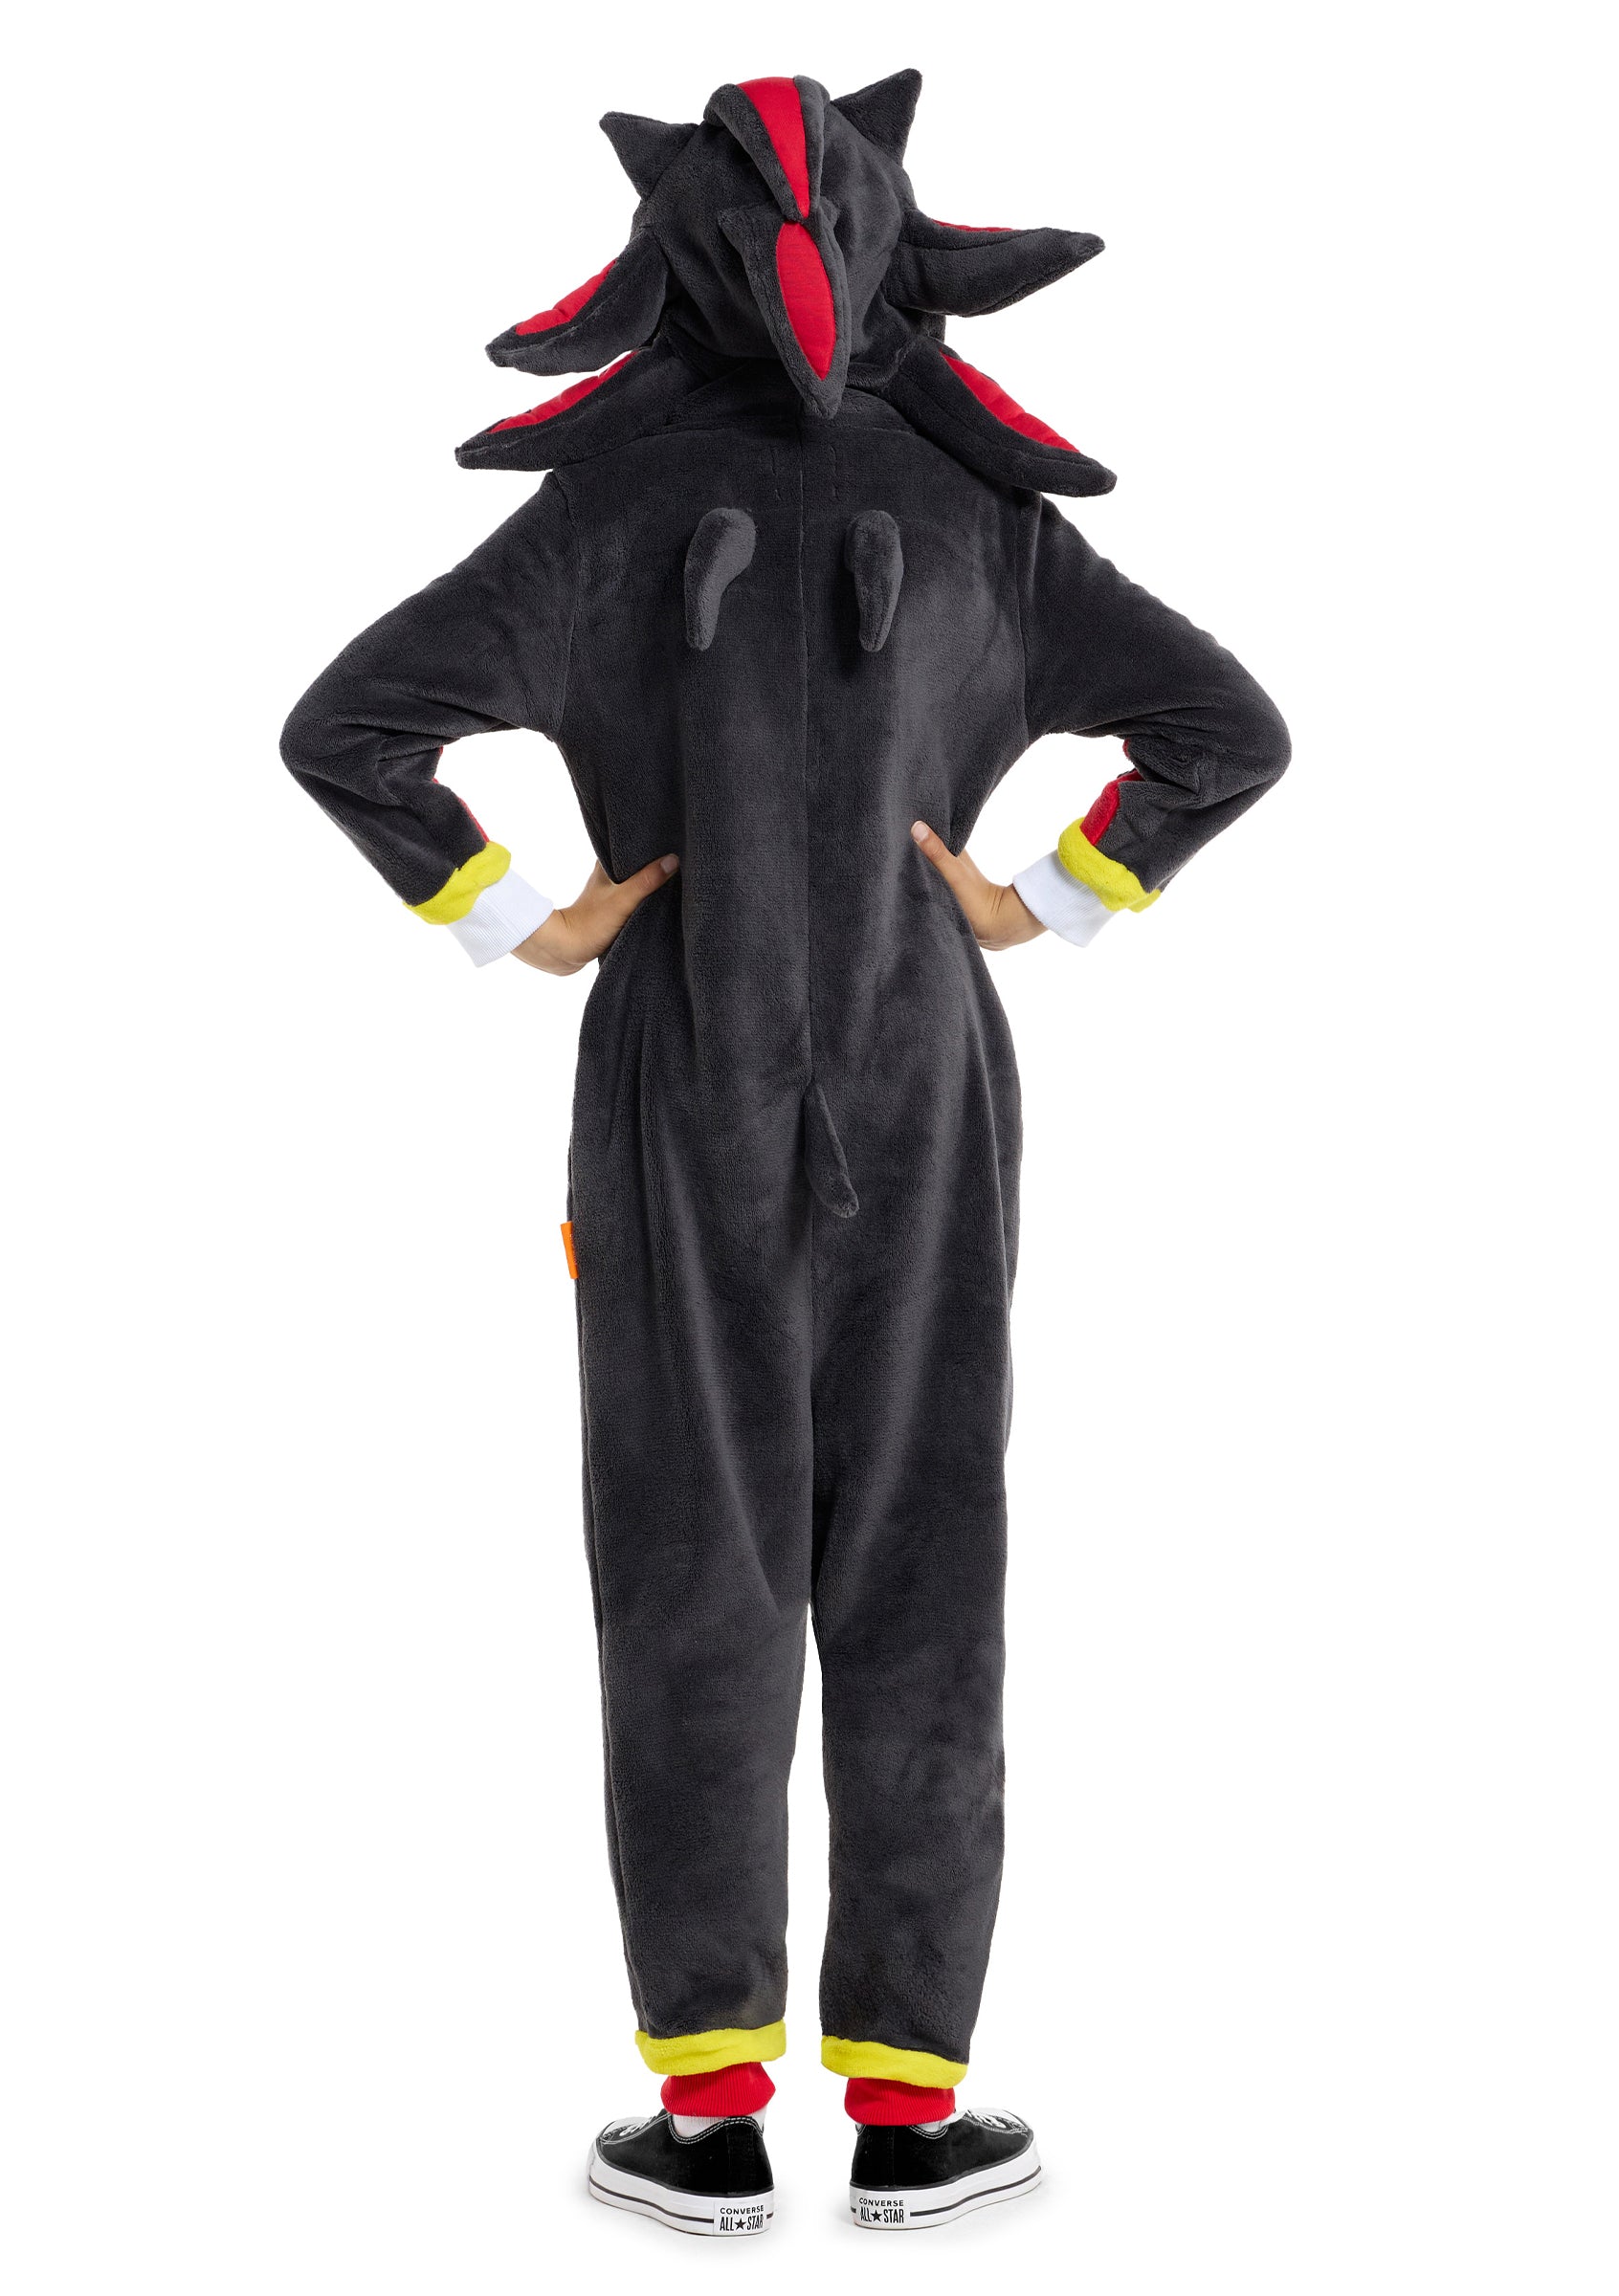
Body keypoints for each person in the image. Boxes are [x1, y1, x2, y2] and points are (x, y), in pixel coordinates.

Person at [280, 68, 1289, 2237]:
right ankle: (914, 2115)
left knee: (692, 1563)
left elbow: (344, 728)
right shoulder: (983, 513)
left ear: (671, 256)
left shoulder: (606, 508)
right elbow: (1228, 731)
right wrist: (1048, 893)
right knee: (926, 1560)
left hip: (678, 1075)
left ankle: (712, 2112)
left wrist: (519, 920)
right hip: (926, 1078)